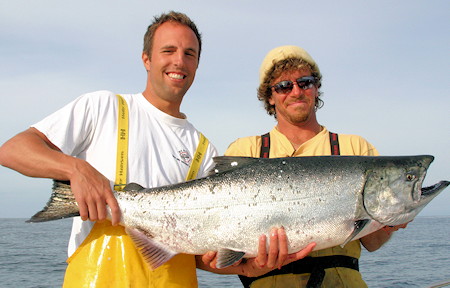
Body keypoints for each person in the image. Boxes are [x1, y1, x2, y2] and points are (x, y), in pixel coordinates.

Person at [0, 13, 315, 287]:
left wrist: (245, 265)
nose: (179, 60)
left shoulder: (204, 150)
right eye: (169, 50)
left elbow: (200, 257)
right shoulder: (103, 107)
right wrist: (75, 169)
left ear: (196, 65)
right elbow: (13, 149)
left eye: (189, 54)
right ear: (146, 59)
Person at [223, 45, 408, 288]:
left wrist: (390, 219)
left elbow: (372, 243)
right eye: (283, 86)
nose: (296, 91)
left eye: (305, 82)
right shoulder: (245, 150)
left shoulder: (355, 148)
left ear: (316, 87)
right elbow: (224, 251)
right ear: (270, 96)